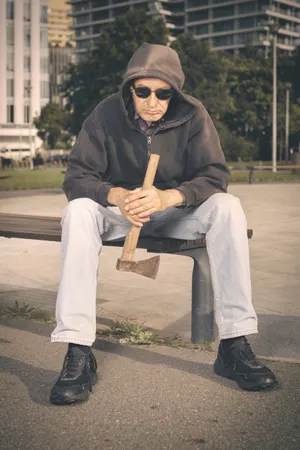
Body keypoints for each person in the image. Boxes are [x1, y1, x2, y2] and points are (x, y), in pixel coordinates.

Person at [49, 43, 277, 405]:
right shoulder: (105, 114)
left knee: (228, 207)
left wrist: (170, 197)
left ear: (175, 94)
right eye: (143, 91)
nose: (152, 101)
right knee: (77, 211)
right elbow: (77, 177)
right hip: (121, 213)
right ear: (130, 89)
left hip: (175, 212)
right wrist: (116, 195)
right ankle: (77, 349)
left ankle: (235, 343)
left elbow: (216, 175)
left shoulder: (195, 115)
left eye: (163, 93)